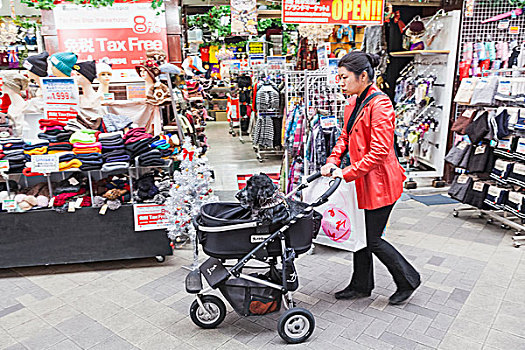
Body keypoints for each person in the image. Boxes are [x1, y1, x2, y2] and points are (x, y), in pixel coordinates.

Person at [321, 51, 421, 305]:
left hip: (381, 182)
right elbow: (344, 136)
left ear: (362, 76)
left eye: (344, 77)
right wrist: (333, 159)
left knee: (372, 238)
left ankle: (408, 279)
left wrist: (346, 172)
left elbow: (378, 152)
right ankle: (361, 284)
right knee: (361, 233)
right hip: (362, 181)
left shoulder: (381, 104)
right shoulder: (354, 102)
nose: (340, 82)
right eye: (339, 77)